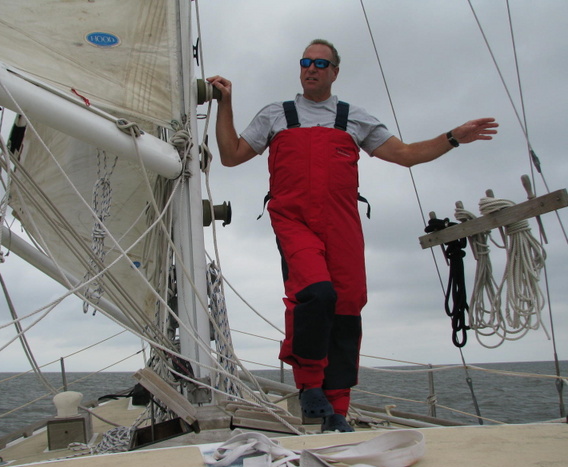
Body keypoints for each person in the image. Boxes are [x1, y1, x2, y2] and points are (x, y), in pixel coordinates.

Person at [207, 39, 498, 432]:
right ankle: (310, 385)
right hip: (293, 220)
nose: (311, 68)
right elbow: (231, 155)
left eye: (320, 64)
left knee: (346, 307)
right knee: (316, 293)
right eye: (306, 62)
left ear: (335, 72)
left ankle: (338, 412)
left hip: (342, 225)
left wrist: (453, 137)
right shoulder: (276, 114)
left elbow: (406, 155)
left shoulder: (355, 119)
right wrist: (225, 103)